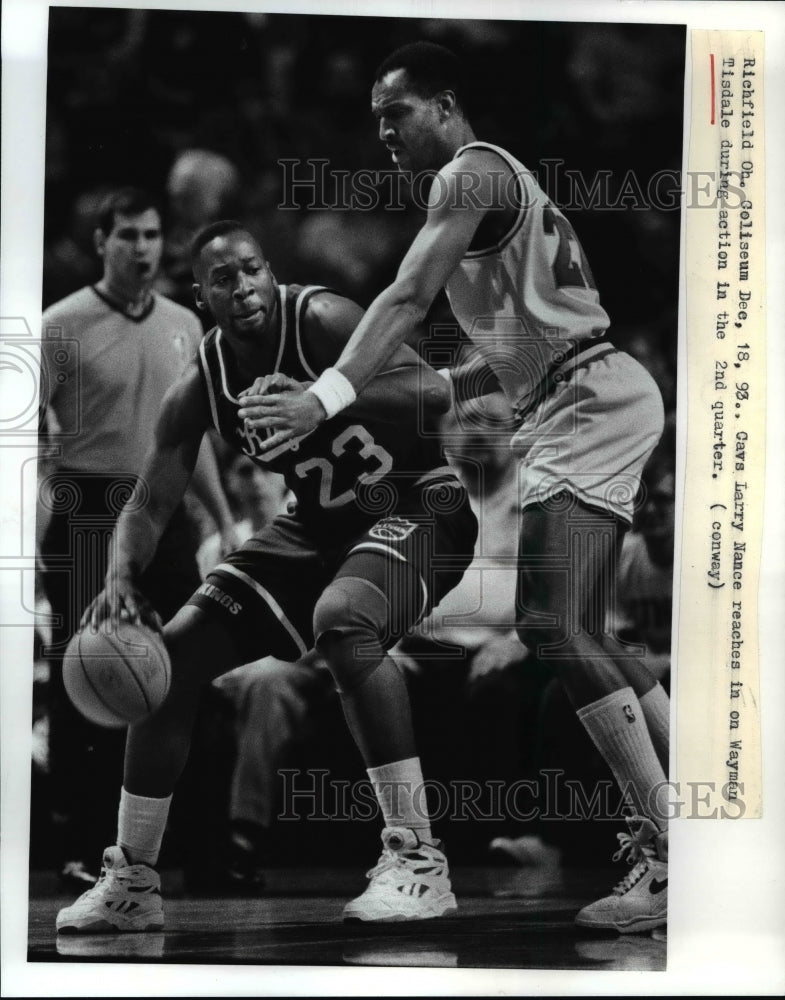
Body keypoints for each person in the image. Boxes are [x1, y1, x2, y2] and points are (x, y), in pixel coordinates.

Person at [244, 42, 670, 934]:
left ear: (443, 105)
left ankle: (667, 850)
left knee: (551, 623)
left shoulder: (468, 176)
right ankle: (700, 830)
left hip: (586, 396)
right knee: (574, 626)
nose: (384, 132)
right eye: (374, 121)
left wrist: (324, 397)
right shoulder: (494, 189)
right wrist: (457, 384)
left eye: (396, 113)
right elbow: (498, 346)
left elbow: (402, 297)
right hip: (573, 392)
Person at [55, 220, 478, 934]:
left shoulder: (321, 318)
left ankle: (417, 859)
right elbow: (151, 498)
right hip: (315, 524)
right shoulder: (203, 382)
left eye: (252, 270)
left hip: (417, 499)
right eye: (223, 278)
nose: (243, 286)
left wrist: (319, 397)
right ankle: (131, 880)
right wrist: (121, 574)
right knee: (171, 661)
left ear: (270, 274)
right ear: (201, 296)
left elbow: (431, 397)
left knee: (342, 619)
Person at [38, 186, 236, 889]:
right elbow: (24, 440)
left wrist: (222, 519)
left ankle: (200, 845)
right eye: (127, 235)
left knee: (186, 672)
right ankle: (87, 844)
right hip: (88, 514)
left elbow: (192, 440)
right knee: (87, 679)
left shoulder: (187, 322)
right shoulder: (59, 325)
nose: (143, 248)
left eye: (152, 235)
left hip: (165, 511)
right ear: (100, 243)